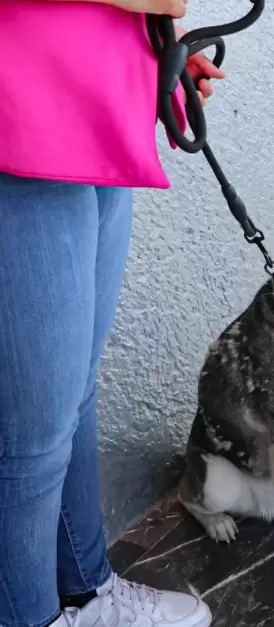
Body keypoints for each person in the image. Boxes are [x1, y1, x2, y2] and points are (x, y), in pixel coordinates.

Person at [0, 1, 224, 625]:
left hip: (93, 105)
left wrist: (157, 46)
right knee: (26, 437)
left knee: (71, 395)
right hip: (16, 117)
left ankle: (84, 593)